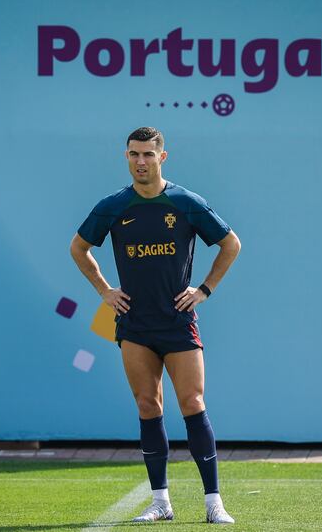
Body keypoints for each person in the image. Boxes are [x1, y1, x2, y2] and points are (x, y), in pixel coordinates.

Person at [70, 127, 241, 524]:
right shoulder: (113, 206)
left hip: (178, 323)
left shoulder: (185, 202)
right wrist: (104, 291)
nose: (141, 161)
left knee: (193, 404)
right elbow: (79, 248)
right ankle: (161, 502)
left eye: (148, 154)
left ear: (163, 157)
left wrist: (205, 289)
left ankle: (214, 502)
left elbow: (230, 243)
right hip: (134, 325)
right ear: (126, 157)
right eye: (134, 154)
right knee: (148, 406)